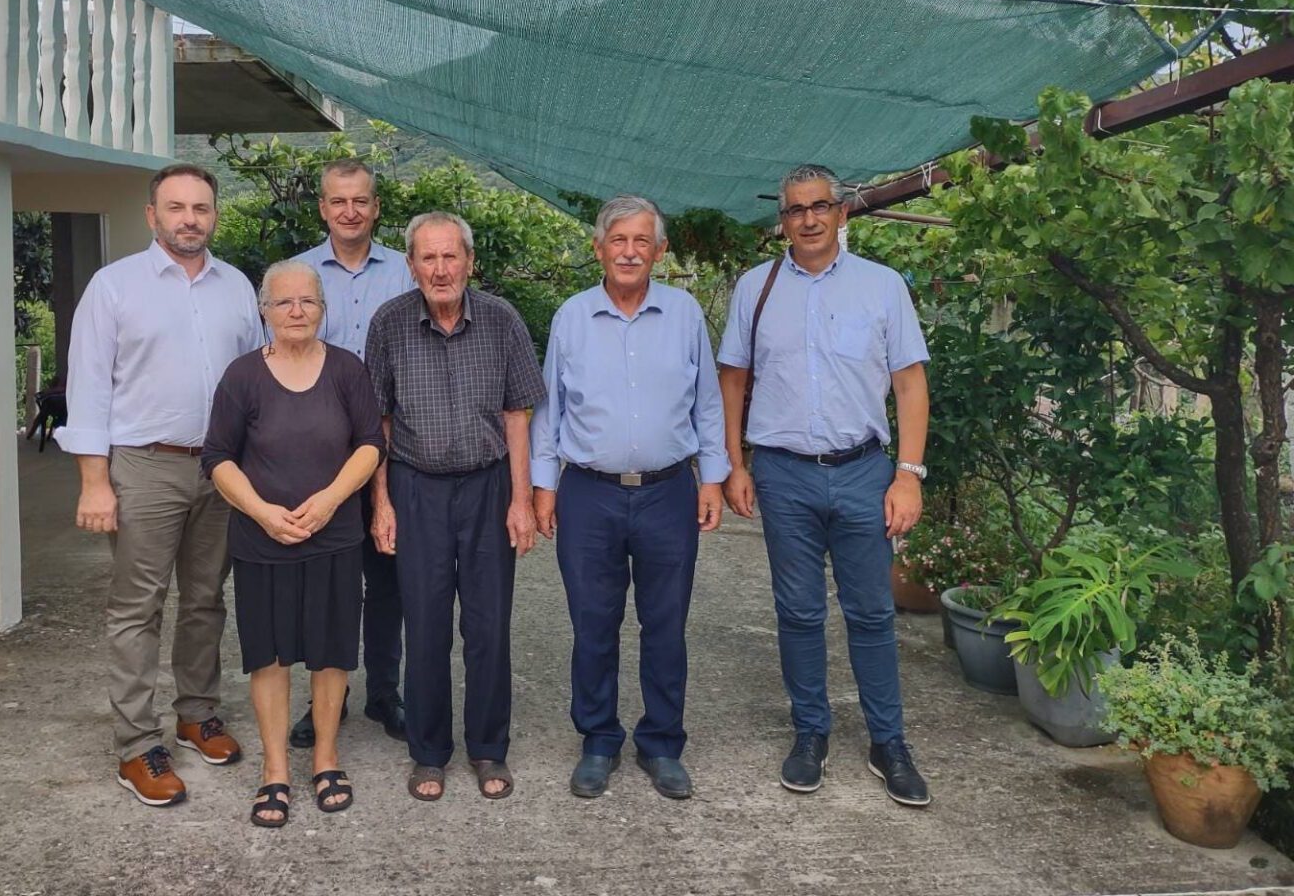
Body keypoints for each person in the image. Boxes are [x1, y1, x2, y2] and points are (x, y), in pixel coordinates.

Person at [716, 163, 932, 807]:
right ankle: (811, 732)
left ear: (841, 213)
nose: (808, 219)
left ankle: (888, 742)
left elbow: (909, 383)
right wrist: (734, 464)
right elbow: (732, 379)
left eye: (819, 207)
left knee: (872, 612)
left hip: (864, 471)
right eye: (795, 209)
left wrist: (908, 475)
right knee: (799, 611)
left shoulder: (882, 285)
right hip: (783, 474)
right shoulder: (755, 288)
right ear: (781, 220)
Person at [57, 163, 264, 807]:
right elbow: (88, 386)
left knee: (206, 598)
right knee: (136, 608)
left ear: (215, 215)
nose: (189, 219)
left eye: (201, 208)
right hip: (143, 467)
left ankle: (197, 714)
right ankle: (136, 745)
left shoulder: (237, 287)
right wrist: (95, 482)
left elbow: (256, 379)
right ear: (152, 215)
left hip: (222, 469)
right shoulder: (114, 286)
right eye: (176, 207)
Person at [529, 196, 728, 802]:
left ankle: (662, 742)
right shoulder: (571, 317)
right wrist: (543, 487)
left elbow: (708, 402)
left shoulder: (684, 313)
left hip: (669, 493)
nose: (629, 252)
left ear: (660, 252)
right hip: (589, 494)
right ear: (598, 249)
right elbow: (548, 409)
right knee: (593, 623)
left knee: (666, 624)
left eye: (642, 241)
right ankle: (599, 739)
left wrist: (712, 478)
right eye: (618, 240)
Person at [365, 211, 546, 802]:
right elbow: (378, 423)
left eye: (450, 256)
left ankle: (489, 747)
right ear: (411, 265)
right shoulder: (389, 323)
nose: (440, 269)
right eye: (428, 257)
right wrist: (382, 503)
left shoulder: (501, 319)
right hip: (416, 489)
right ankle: (428, 752)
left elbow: (517, 414)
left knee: (489, 624)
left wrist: (521, 499)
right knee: (425, 623)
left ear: (470, 261)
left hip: (488, 488)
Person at [201, 261, 385, 827]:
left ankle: (326, 758)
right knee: (270, 655)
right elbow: (218, 457)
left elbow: (370, 443)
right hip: (262, 541)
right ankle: (275, 769)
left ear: (323, 309)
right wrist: (261, 512)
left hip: (335, 536)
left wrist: (330, 500)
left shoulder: (348, 370)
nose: (297, 311)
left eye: (308, 301)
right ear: (265, 312)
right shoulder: (242, 377)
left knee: (331, 653)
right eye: (284, 302)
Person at [286, 158, 414, 749]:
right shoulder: (299, 276)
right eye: (338, 201)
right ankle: (322, 702)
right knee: (323, 585)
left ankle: (385, 691)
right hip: (319, 455)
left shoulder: (408, 272)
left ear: (376, 207)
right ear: (322, 208)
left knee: (388, 579)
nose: (350, 211)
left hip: (393, 451)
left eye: (360, 200)